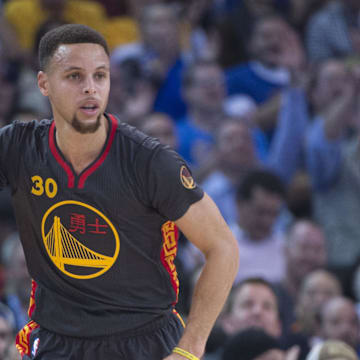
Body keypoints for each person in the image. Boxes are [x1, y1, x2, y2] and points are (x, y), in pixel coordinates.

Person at [0, 24, 239, 360]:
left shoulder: (149, 161)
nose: (90, 88)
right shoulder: (17, 146)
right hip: (57, 340)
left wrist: (190, 349)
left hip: (144, 341)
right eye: (74, 76)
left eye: (100, 76)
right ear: (44, 84)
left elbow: (223, 247)